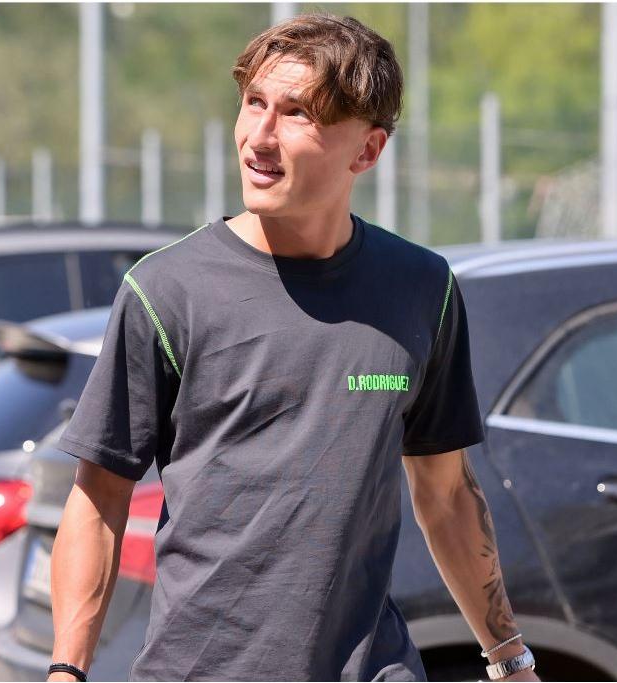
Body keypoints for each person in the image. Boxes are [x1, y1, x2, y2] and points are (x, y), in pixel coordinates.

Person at [47, 13, 539, 683]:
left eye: (297, 113)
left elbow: (446, 492)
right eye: (254, 103)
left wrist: (510, 659)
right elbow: (99, 496)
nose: (259, 137)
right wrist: (66, 671)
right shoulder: (165, 290)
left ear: (367, 151)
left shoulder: (423, 288)